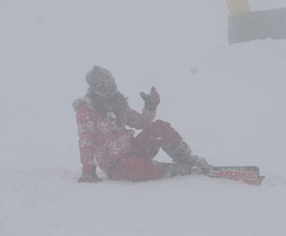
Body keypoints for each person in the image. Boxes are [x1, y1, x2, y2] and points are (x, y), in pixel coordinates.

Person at [73, 65, 210, 183]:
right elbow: (86, 139)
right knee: (139, 168)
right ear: (93, 89)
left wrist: (150, 107)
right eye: (103, 90)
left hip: (133, 148)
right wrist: (88, 169)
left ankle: (186, 158)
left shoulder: (117, 104)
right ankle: (176, 169)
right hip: (114, 163)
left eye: (112, 89)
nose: (108, 94)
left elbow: (141, 123)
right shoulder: (87, 110)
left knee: (160, 127)